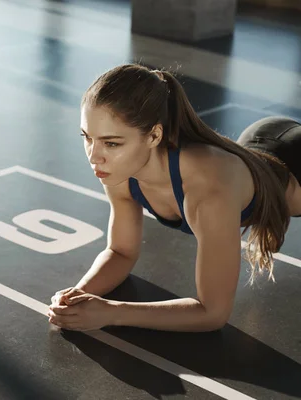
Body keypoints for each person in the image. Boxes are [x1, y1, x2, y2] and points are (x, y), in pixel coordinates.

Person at [47, 63, 301, 333]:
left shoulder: (207, 193)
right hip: (256, 141)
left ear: (154, 135)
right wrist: (79, 295)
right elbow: (121, 252)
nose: (93, 156)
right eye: (87, 138)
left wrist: (111, 312)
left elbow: (213, 313)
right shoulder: (117, 169)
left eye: (111, 143)